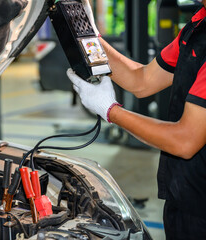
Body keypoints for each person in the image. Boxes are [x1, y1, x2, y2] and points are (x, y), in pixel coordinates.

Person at [67, 0, 206, 239]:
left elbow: (185, 140)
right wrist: (88, 35)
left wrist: (110, 110)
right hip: (185, 196)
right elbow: (142, 80)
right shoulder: (198, 23)